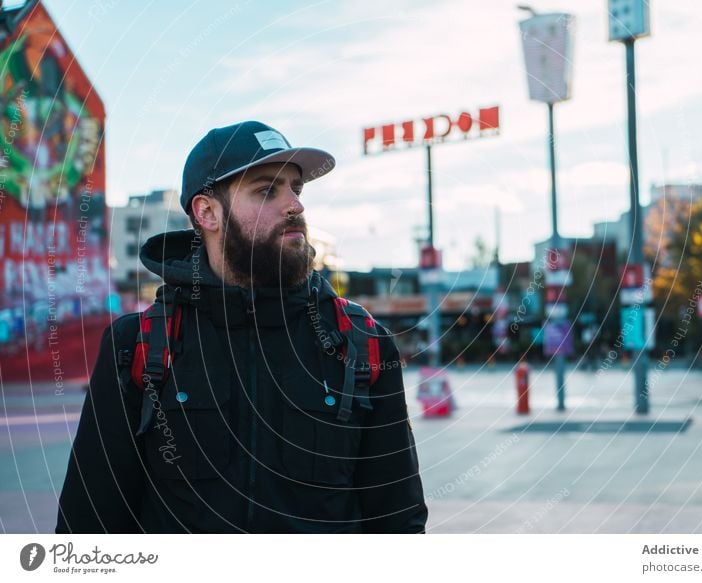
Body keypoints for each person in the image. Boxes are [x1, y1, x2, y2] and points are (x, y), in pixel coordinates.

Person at [56, 121, 428, 533]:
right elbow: (89, 522)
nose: (295, 206)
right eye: (268, 190)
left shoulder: (361, 341)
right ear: (207, 212)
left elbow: (398, 519)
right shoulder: (138, 345)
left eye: (296, 189)